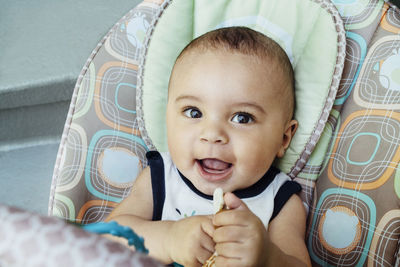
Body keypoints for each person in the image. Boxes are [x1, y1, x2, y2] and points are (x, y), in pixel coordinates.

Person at [106, 26, 311, 267]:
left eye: (242, 118)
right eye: (194, 112)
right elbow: (105, 243)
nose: (212, 134)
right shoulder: (161, 178)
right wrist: (169, 238)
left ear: (284, 138)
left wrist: (267, 257)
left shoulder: (279, 201)